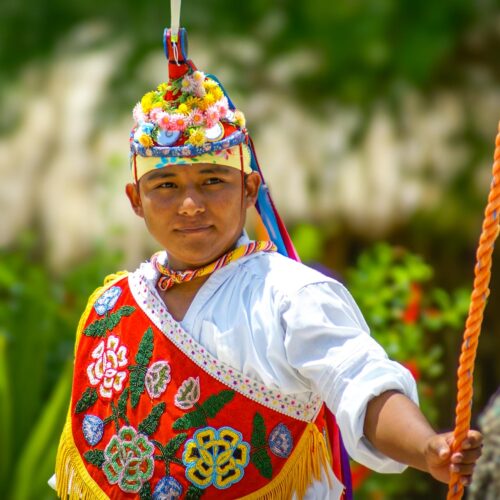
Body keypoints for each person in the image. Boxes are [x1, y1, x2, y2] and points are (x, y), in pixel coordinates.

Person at [53, 27, 482, 499]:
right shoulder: (113, 307)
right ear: (136, 199)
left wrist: (426, 447)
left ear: (250, 190)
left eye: (213, 180)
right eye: (167, 185)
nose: (191, 204)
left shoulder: (291, 295)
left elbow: (361, 381)